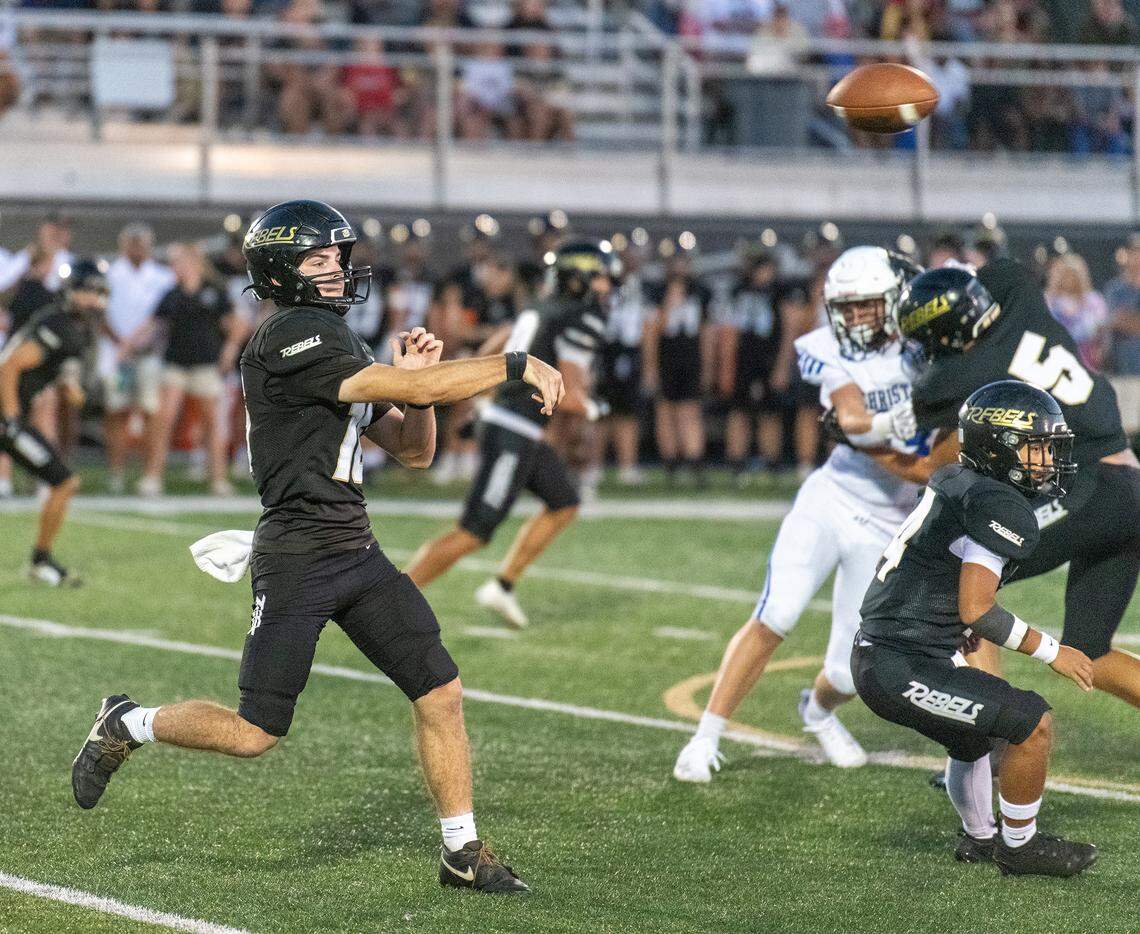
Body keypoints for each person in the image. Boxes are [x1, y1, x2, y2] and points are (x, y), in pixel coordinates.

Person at [71, 199, 565, 894]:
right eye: (320, 258)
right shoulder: (289, 335)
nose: (337, 267)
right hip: (298, 556)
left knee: (441, 691)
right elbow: (414, 388)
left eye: (338, 255)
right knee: (255, 732)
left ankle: (461, 852)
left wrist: (420, 396)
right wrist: (510, 364)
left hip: (356, 551)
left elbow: (413, 452)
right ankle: (130, 721)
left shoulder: (333, 339)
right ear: (283, 269)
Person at [673, 246, 924, 780]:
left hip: (889, 523)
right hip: (833, 500)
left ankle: (816, 712)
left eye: (866, 306)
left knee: (848, 671)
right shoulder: (824, 345)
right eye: (846, 307)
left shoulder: (925, 347)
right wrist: (913, 418)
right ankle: (705, 736)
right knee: (777, 613)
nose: (853, 318)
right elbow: (853, 420)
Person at [854, 380, 1097, 878]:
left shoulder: (959, 481)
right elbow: (979, 611)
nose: (1047, 461)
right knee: (1031, 722)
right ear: (1000, 447)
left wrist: (938, 618)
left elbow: (934, 575)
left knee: (975, 736)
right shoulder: (996, 505)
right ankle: (1018, 846)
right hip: (899, 662)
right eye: (1036, 447)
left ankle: (980, 837)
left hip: (894, 651)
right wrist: (1055, 651)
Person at [883, 259, 1140, 710]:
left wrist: (869, 447)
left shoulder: (952, 378)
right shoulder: (1015, 290)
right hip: (1129, 481)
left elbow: (933, 467)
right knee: (1090, 653)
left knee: (966, 594)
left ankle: (989, 745)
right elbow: (985, 272)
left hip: (1090, 490)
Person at [405, 241, 613, 629]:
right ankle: (396, 596)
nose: (607, 286)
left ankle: (502, 585)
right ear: (580, 277)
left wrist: (482, 392)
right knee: (474, 532)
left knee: (564, 501)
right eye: (600, 277)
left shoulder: (538, 307)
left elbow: (500, 342)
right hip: (515, 429)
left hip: (518, 426)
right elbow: (566, 395)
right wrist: (597, 408)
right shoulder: (579, 317)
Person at [0, 260, 107, 585]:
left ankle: (41, 560)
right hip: (5, 415)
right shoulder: (59, 324)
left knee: (64, 482)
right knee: (64, 481)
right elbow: (9, 366)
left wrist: (76, 392)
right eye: (88, 291)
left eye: (99, 292)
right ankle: (40, 560)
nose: (94, 299)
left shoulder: (74, 328)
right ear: (71, 290)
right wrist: (11, 417)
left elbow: (62, 380)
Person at [139, 243, 248, 496]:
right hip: (175, 363)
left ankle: (218, 478)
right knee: (163, 418)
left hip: (206, 365)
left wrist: (229, 350)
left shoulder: (214, 292)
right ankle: (152, 477)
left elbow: (236, 325)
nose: (174, 268)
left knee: (212, 422)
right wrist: (127, 346)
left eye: (178, 263)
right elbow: (153, 324)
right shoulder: (172, 294)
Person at [102, 223, 176, 493]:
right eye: (131, 242)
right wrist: (120, 343)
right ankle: (116, 472)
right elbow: (99, 313)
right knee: (116, 412)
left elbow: (165, 318)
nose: (136, 247)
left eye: (141, 242)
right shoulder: (110, 273)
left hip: (150, 355)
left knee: (152, 413)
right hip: (116, 353)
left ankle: (150, 474)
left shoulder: (163, 276)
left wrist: (143, 344)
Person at [642, 242, 711, 485]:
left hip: (690, 358)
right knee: (666, 410)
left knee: (690, 410)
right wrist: (650, 367)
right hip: (666, 357)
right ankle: (670, 463)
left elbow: (706, 332)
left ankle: (694, 462)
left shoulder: (700, 291)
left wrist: (708, 365)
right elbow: (651, 331)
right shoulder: (657, 292)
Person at [717, 248, 789, 480]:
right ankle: (736, 462)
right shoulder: (739, 291)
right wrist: (726, 368)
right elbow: (729, 332)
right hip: (744, 360)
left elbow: (788, 332)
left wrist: (782, 366)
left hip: (769, 358)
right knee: (739, 412)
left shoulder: (780, 293)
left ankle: (771, 462)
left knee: (770, 413)